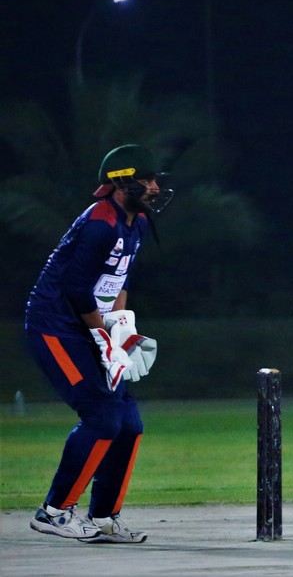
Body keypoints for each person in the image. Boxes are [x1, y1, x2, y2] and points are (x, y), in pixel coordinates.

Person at [24, 144, 173, 543]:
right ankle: (54, 511)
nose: (155, 188)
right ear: (121, 183)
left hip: (90, 324)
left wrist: (119, 328)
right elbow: (76, 289)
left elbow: (119, 280)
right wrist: (103, 336)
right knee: (102, 416)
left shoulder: (137, 222)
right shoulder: (99, 224)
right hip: (56, 326)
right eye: (146, 180)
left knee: (129, 424)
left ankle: (105, 517)